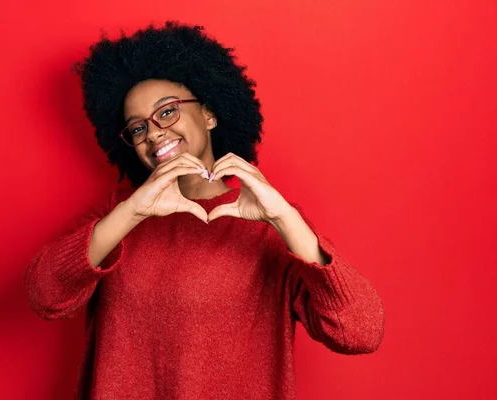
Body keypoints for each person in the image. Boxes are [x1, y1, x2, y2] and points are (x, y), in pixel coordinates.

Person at [25, 21, 385, 400]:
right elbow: (44, 296)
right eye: (137, 128)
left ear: (209, 114)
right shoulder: (118, 215)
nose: (153, 133)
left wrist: (285, 219)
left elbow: (359, 332)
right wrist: (132, 213)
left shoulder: (270, 224)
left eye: (166, 112)